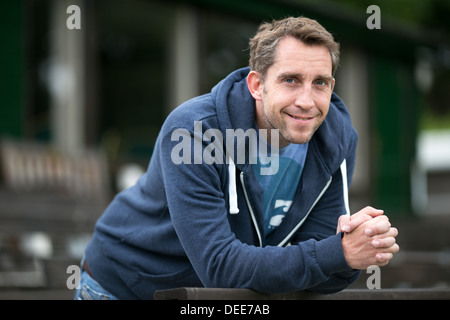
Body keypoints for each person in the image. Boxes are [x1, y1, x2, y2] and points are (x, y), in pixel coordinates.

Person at [74, 16, 399, 300]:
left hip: (222, 300)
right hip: (121, 287)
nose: (306, 101)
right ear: (257, 85)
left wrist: (354, 251)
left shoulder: (336, 140)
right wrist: (339, 252)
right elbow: (220, 266)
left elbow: (315, 271)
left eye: (320, 83)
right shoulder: (193, 132)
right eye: (291, 80)